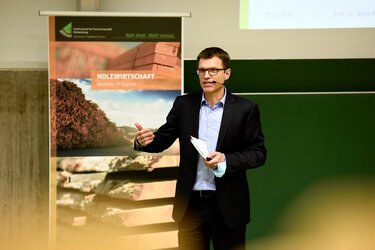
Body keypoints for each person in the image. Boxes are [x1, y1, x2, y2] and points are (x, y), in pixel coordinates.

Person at [134, 47, 266, 250]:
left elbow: (258, 153)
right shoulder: (184, 104)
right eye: (202, 70)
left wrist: (226, 159)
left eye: (213, 70)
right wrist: (144, 141)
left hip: (228, 208)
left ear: (226, 73)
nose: (206, 75)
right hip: (190, 207)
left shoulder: (245, 109)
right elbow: (162, 139)